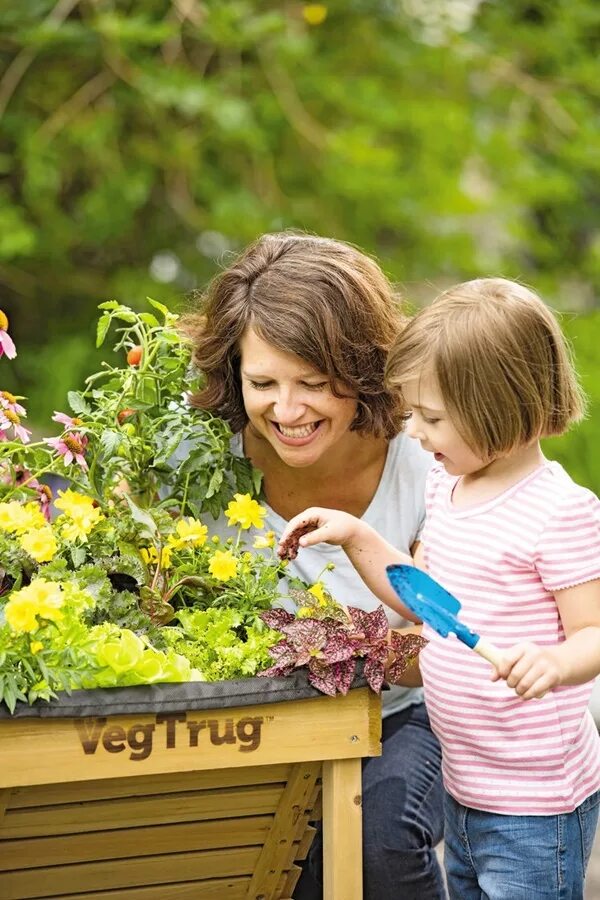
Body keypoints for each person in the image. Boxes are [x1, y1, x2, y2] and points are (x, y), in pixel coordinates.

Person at [279, 277, 600, 900]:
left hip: (536, 801)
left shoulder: (560, 512)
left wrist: (555, 662)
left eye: (431, 418)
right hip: (465, 782)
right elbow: (419, 595)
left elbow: (595, 634)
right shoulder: (445, 486)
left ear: (500, 410)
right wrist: (354, 535)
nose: (415, 433)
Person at [179, 232, 446, 899]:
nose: (288, 411)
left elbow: (440, 640)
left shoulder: (426, 457)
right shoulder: (192, 465)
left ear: (362, 374)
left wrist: (333, 656)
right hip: (249, 724)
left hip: (401, 714)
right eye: (263, 382)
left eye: (316, 386)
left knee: (372, 839)